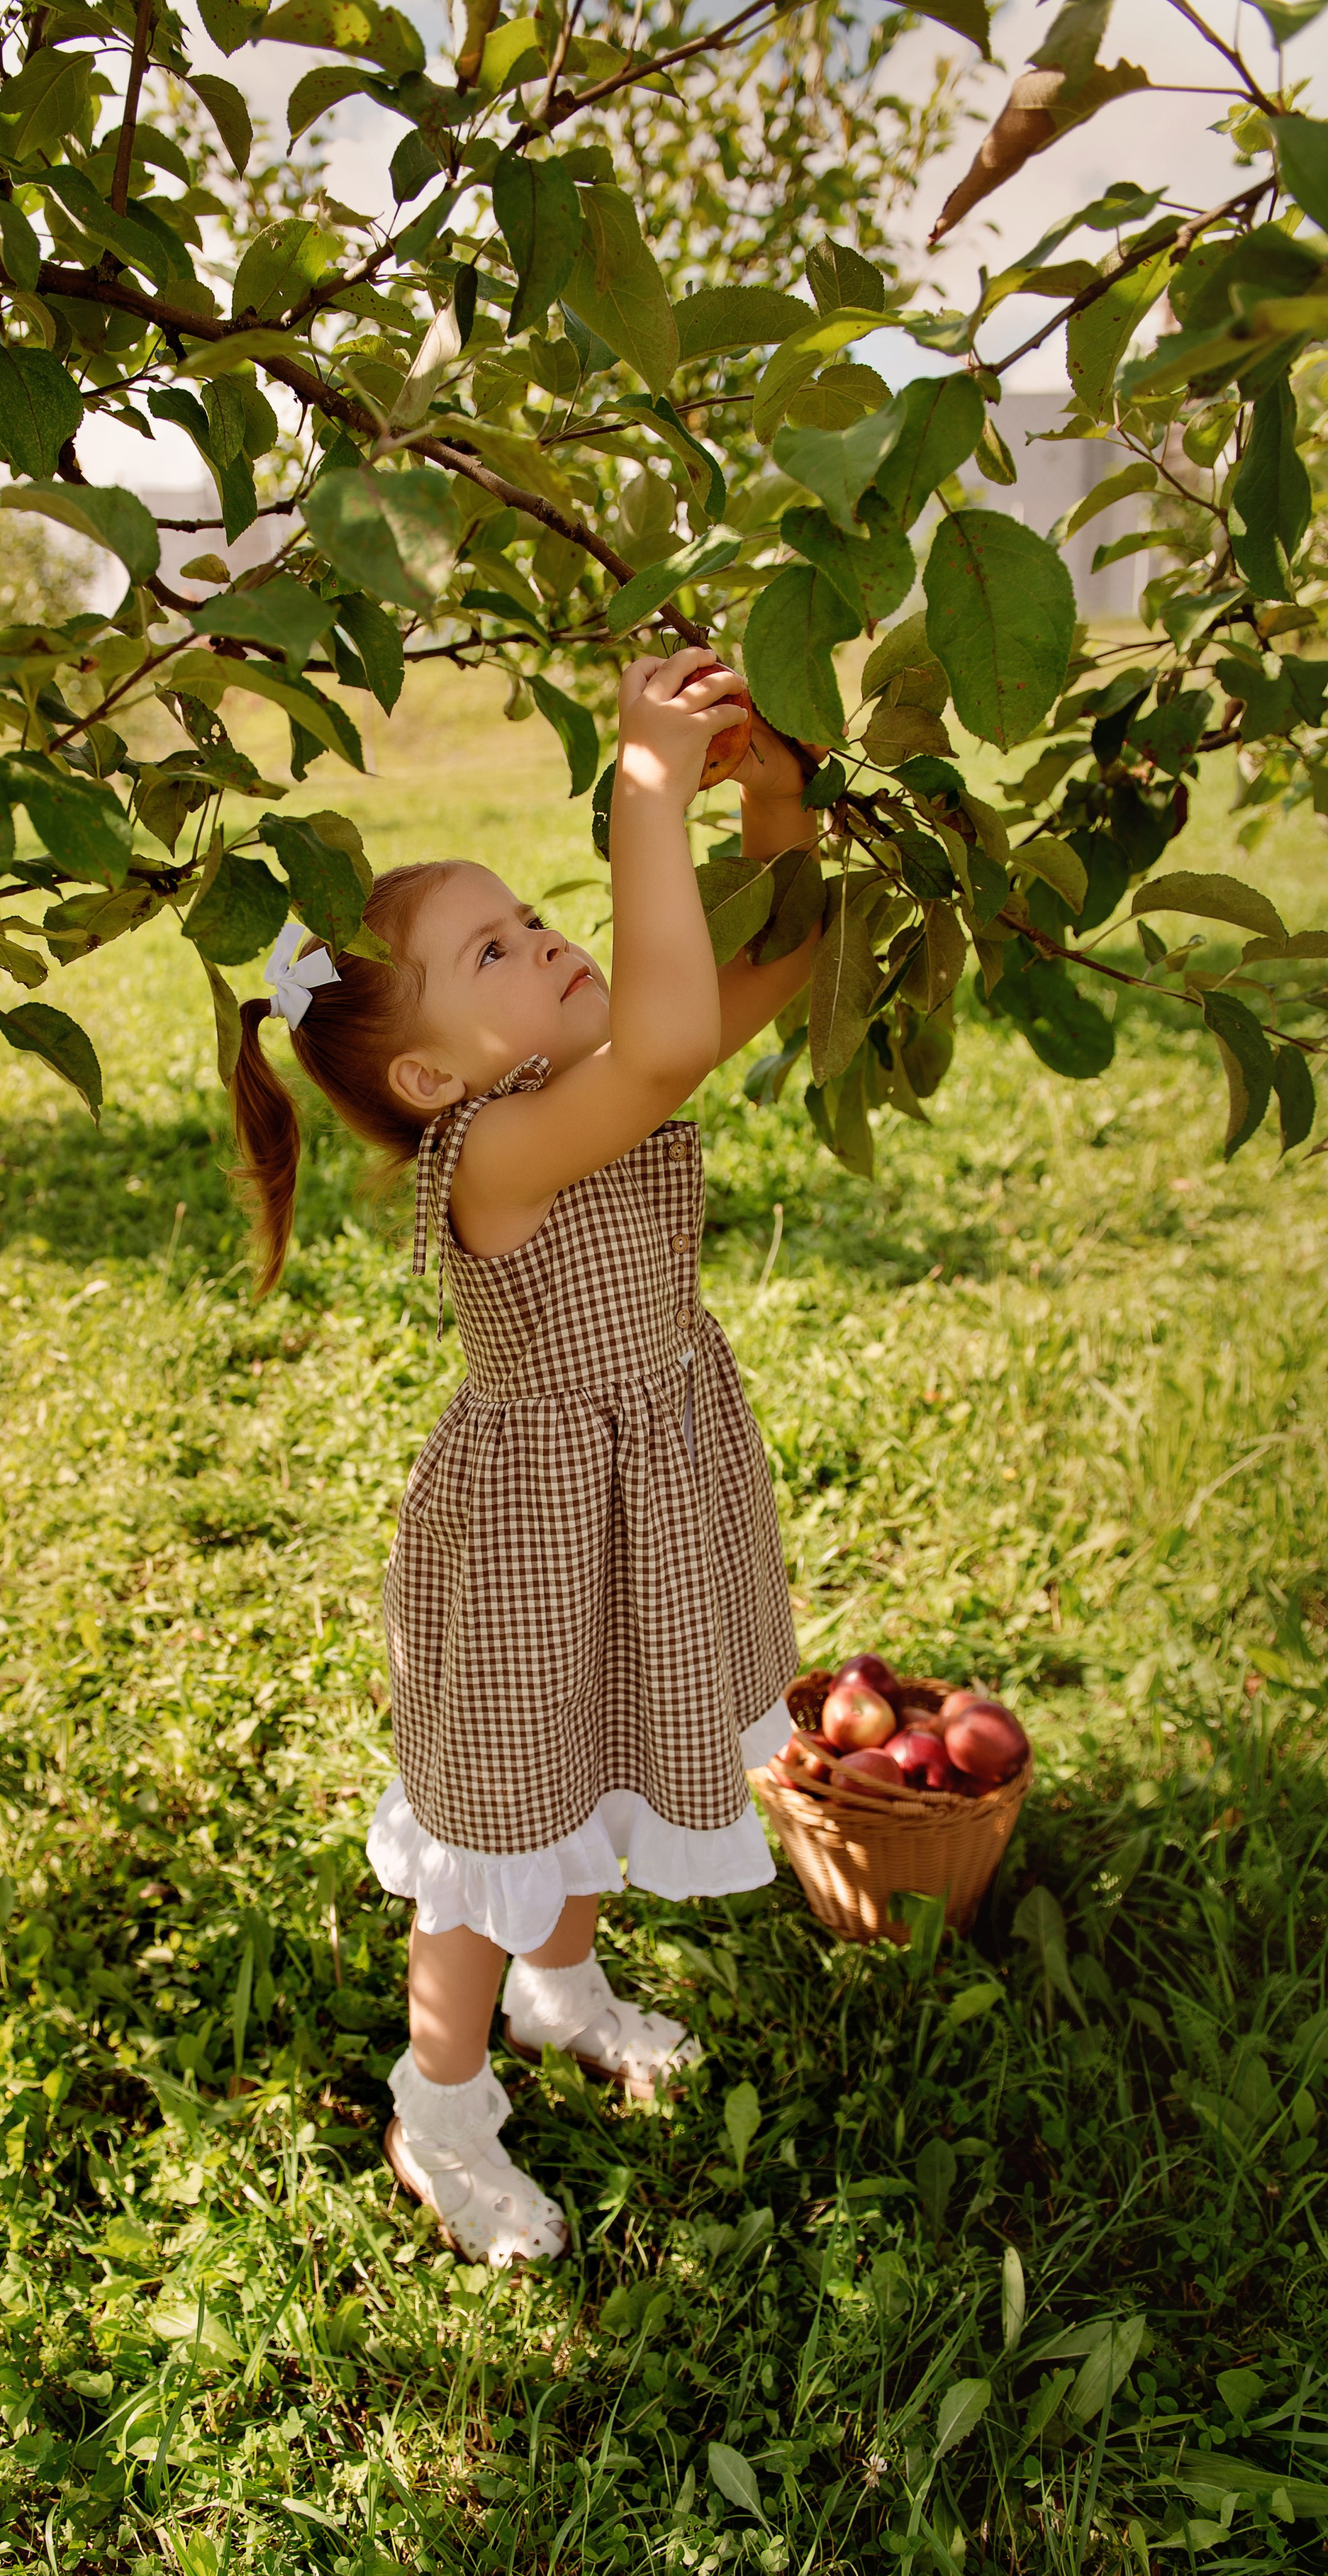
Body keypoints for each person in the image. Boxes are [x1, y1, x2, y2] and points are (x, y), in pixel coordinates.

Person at [229, 647, 819, 2265]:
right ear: (429, 1078)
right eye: (492, 948)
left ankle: (562, 1987)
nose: (549, 939)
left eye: (532, 915)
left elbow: (771, 957)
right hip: (533, 1537)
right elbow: (674, 1041)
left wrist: (775, 807)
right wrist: (646, 785)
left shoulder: (574, 1083)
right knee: (493, 1834)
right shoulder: (495, 1144)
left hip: (647, 1493)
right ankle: (440, 2109)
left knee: (605, 1764)